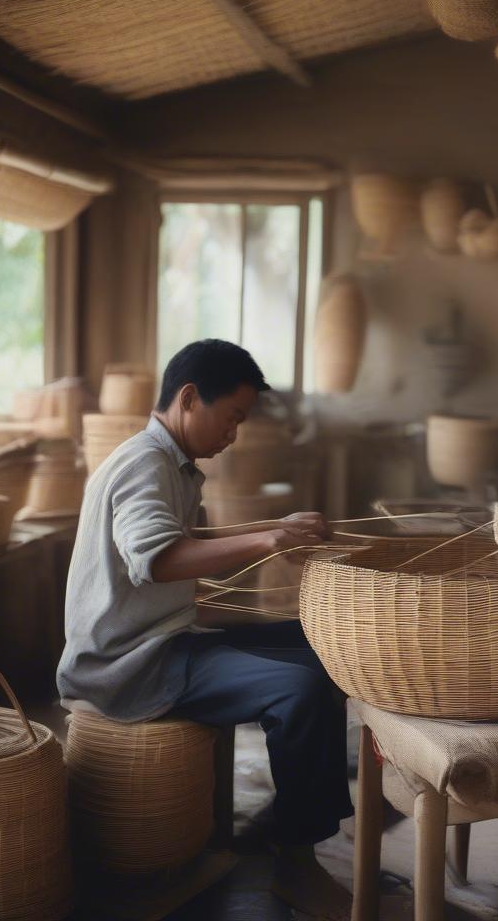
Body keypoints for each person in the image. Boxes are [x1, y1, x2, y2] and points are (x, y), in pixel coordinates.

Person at [57, 339, 353, 916]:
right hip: (127, 666)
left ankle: (289, 809)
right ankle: (297, 860)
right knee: (302, 688)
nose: (234, 433)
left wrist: (277, 526)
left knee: (315, 639)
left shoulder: (169, 463)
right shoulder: (145, 462)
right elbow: (157, 559)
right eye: (232, 417)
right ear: (189, 399)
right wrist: (269, 539)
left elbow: (187, 545)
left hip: (162, 641)